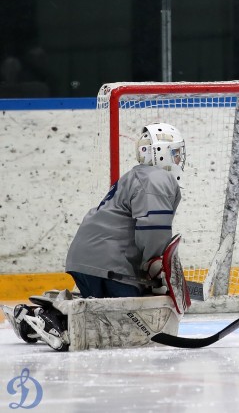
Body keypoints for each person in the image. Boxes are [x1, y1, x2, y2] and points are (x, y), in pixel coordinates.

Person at [4, 122, 187, 351]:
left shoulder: (136, 176)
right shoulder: (157, 178)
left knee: (102, 311)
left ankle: (39, 317)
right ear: (160, 153)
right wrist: (154, 266)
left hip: (88, 259)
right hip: (112, 264)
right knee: (129, 317)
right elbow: (153, 228)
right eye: (176, 153)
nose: (179, 160)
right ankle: (58, 321)